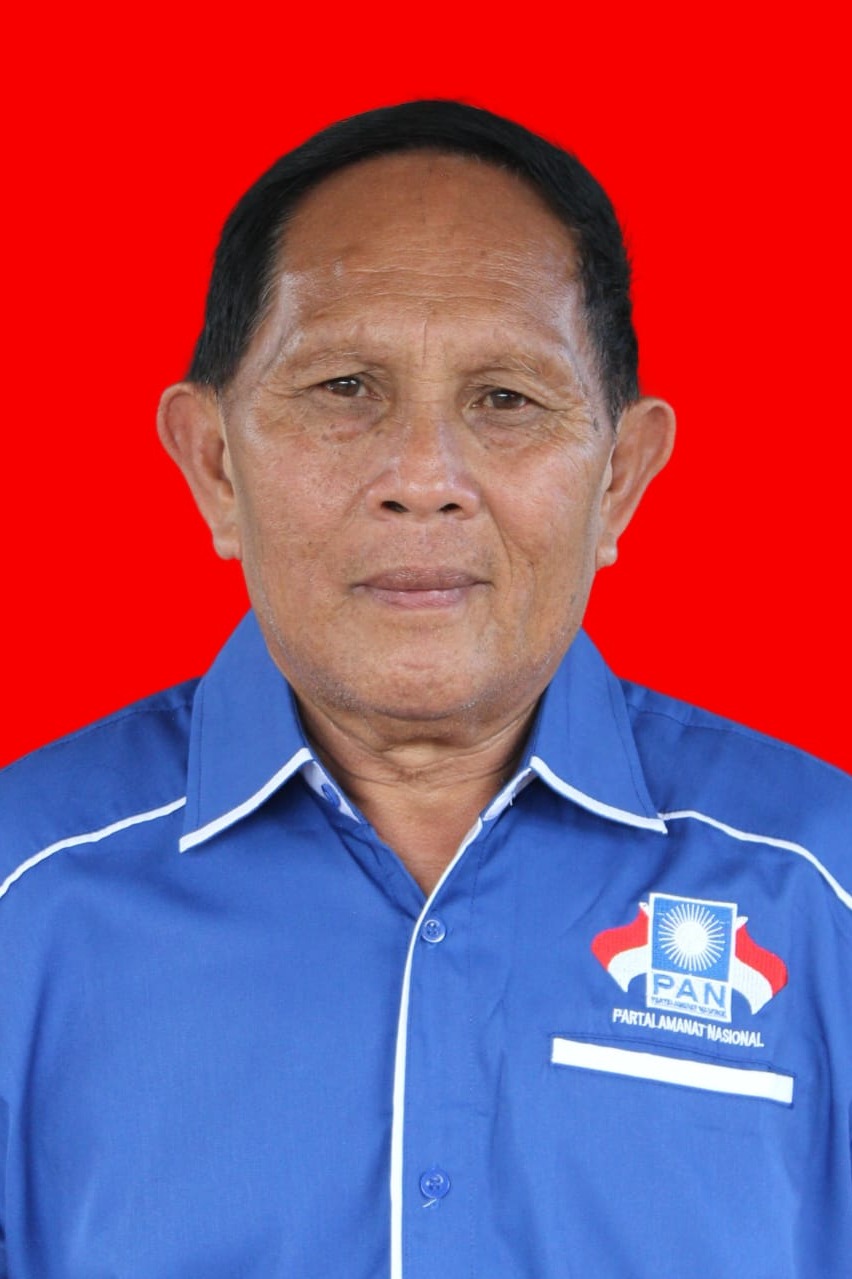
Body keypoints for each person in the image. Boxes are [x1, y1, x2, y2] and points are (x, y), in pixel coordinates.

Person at [1, 100, 850, 1278]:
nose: (422, 477)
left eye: (506, 399)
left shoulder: (823, 892)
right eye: (346, 386)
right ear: (215, 465)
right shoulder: (23, 895)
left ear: (619, 477)